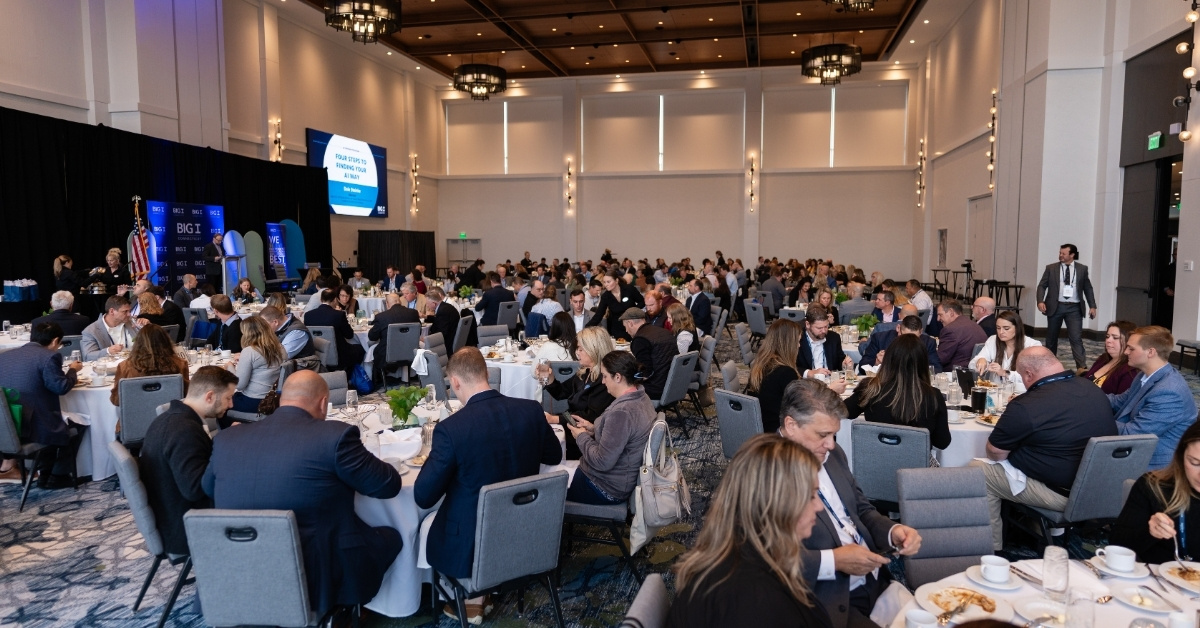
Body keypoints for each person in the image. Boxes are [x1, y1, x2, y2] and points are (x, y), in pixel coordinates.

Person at [203, 371, 402, 615]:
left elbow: (207, 488)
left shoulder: (227, 439)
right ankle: (360, 610)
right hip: (317, 573)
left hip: (241, 567)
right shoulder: (334, 436)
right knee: (393, 536)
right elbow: (388, 486)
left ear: (281, 399)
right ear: (322, 403)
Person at [415, 348, 562, 624]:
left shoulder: (452, 429)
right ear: (485, 374)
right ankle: (484, 594)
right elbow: (554, 456)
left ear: (455, 382)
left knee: (426, 524)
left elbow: (423, 496)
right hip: (527, 529)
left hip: (473, 541)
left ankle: (468, 593)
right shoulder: (530, 410)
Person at [777, 379, 922, 628]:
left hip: (876, 581)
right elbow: (764, 558)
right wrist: (834, 560)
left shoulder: (832, 454)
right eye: (823, 435)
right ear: (791, 425)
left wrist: (892, 531)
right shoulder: (764, 472)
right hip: (826, 599)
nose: (831, 444)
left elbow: (861, 509)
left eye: (834, 435)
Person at [668, 434, 830, 628]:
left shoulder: (735, 546)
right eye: (811, 496)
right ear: (780, 504)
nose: (820, 507)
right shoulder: (756, 602)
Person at [968, 347, 1117, 550]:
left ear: (1029, 374)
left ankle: (990, 549)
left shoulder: (1027, 404)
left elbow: (995, 452)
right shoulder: (1093, 390)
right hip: (1103, 486)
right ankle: (1038, 528)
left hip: (1063, 494)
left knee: (978, 471)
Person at [140, 366, 237, 555]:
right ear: (209, 396)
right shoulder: (184, 431)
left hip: (173, 515)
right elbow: (195, 489)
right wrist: (227, 446)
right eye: (228, 397)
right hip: (186, 529)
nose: (231, 404)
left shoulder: (173, 419)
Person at [0, 322, 86, 488]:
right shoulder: (48, 356)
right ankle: (57, 475)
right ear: (55, 341)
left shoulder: (5, 356)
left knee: (57, 417)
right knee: (80, 422)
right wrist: (73, 371)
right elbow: (61, 387)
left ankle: (43, 470)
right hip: (33, 426)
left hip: (7, 424)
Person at [565, 350, 656, 505]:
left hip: (604, 487)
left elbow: (602, 461)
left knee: (542, 486)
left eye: (605, 376)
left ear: (618, 377)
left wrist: (581, 437)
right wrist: (594, 429)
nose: (603, 381)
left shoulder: (622, 412)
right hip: (620, 479)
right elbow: (624, 435)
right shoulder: (641, 396)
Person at [1109, 325, 1199, 470]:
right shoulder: (1144, 375)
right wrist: (1087, 398)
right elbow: (1119, 402)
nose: (1125, 352)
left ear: (1150, 352)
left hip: (1154, 466)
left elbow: (1132, 435)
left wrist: (1094, 418)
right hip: (1137, 451)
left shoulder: (1169, 393)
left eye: (1131, 349)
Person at [1111, 422, 1200, 563]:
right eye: (1195, 463)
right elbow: (1117, 546)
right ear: (1181, 456)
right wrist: (1149, 532)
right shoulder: (1153, 487)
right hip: (1154, 580)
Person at [846, 334, 950, 450]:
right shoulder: (933, 396)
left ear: (889, 359)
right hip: (917, 465)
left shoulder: (870, 388)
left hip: (874, 462)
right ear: (923, 362)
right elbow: (942, 442)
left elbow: (845, 411)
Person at [537, 327, 617, 459]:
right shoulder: (585, 373)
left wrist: (555, 418)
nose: (576, 352)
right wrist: (550, 379)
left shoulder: (604, 381)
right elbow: (561, 393)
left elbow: (589, 416)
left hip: (586, 439)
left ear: (594, 350)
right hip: (572, 427)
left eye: (580, 349)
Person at [1036, 243, 1097, 370]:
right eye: (1060, 253)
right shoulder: (1051, 268)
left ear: (1072, 255)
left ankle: (1081, 367)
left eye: (1063, 253)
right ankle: (1049, 366)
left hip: (1074, 308)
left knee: (1076, 338)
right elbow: (1042, 285)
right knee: (1051, 338)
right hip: (1055, 306)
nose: (1060, 255)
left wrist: (1092, 306)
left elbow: (1088, 288)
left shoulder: (1082, 269)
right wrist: (1040, 301)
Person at [109, 323, 190, 406]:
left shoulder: (125, 366)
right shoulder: (180, 364)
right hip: (169, 416)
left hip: (135, 416)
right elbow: (187, 395)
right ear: (166, 341)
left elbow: (116, 400)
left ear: (138, 343)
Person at [746, 319, 803, 433]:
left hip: (761, 427)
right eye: (797, 341)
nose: (799, 345)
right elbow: (801, 407)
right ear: (788, 344)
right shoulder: (785, 373)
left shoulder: (760, 365)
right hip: (778, 433)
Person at [970, 310, 1043, 393]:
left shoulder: (1032, 345)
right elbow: (971, 365)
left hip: (1021, 394)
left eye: (1006, 328)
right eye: (998, 328)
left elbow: (1033, 376)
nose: (1001, 332)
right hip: (995, 392)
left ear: (1017, 328)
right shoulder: (993, 340)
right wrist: (981, 361)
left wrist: (1005, 373)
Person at [304, 288, 366, 374]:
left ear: (321, 300)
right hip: (339, 354)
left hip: (317, 353)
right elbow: (349, 335)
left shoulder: (308, 315)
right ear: (335, 300)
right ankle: (348, 376)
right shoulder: (338, 315)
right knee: (361, 349)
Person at [621, 308, 678, 400]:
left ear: (630, 323)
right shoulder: (664, 332)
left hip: (655, 388)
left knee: (618, 383)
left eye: (625, 327)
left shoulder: (640, 340)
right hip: (673, 384)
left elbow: (645, 374)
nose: (626, 331)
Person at [859, 312, 941, 374]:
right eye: (905, 336)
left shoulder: (928, 343)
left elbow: (937, 369)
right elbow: (862, 366)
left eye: (914, 337)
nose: (909, 340)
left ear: (921, 332)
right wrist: (877, 362)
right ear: (898, 328)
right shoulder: (880, 339)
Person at [796, 305, 850, 391]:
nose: (824, 331)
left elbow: (840, 359)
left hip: (831, 383)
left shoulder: (834, 337)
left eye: (826, 327)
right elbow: (790, 365)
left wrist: (844, 364)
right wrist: (809, 373)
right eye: (819, 328)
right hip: (806, 387)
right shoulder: (798, 339)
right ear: (807, 324)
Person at [368, 292, 421, 375]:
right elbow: (419, 332)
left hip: (387, 354)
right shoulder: (413, 313)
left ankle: (379, 378)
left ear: (387, 304)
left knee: (373, 349)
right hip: (410, 351)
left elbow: (372, 337)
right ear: (400, 301)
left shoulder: (381, 317)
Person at [588, 269, 646, 341]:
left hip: (633, 325)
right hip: (618, 328)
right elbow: (599, 315)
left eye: (608, 282)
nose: (606, 285)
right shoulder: (606, 296)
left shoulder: (629, 289)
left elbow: (642, 302)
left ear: (616, 281)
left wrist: (632, 312)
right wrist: (587, 327)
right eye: (604, 282)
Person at [1083, 321, 1138, 394]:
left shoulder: (1129, 371)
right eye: (1107, 336)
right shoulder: (1103, 359)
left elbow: (1120, 402)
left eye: (1115, 338)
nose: (1108, 340)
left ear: (1128, 341)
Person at [260, 305, 319, 370]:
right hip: (285, 368)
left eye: (265, 325)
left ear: (275, 322)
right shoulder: (281, 328)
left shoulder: (297, 332)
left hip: (300, 371)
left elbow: (282, 357)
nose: (263, 328)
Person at [81, 295, 138, 360]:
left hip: (133, 364)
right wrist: (108, 351)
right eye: (125, 311)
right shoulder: (91, 331)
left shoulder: (132, 323)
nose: (129, 314)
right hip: (108, 367)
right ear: (112, 311)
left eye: (129, 311)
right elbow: (88, 356)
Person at [935, 299, 987, 369]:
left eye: (940, 315)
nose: (938, 319)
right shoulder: (975, 325)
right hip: (971, 372)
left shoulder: (950, 329)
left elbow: (940, 359)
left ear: (951, 312)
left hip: (953, 373)